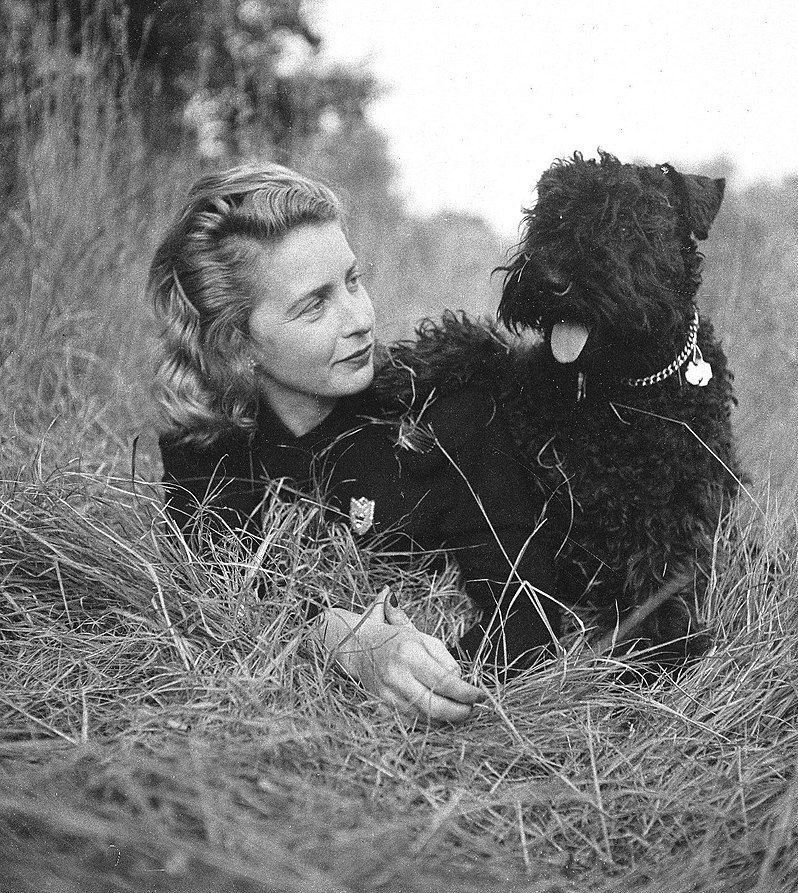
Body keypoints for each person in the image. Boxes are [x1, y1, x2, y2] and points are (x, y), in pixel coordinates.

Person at [150, 163, 562, 724]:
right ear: (235, 341)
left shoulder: (446, 413)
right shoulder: (206, 447)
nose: (361, 317)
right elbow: (217, 598)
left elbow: (529, 616)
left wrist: (432, 680)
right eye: (313, 304)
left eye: (353, 279)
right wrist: (342, 638)